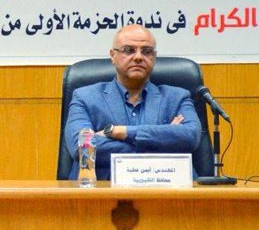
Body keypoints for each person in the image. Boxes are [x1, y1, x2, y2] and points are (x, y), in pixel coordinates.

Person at [62, 24, 201, 181]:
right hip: (103, 190)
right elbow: (82, 148)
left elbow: (191, 137)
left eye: (146, 51)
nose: (138, 57)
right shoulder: (85, 97)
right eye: (129, 50)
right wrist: (164, 141)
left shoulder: (177, 98)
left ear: (154, 57)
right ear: (112, 55)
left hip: (168, 190)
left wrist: (119, 132)